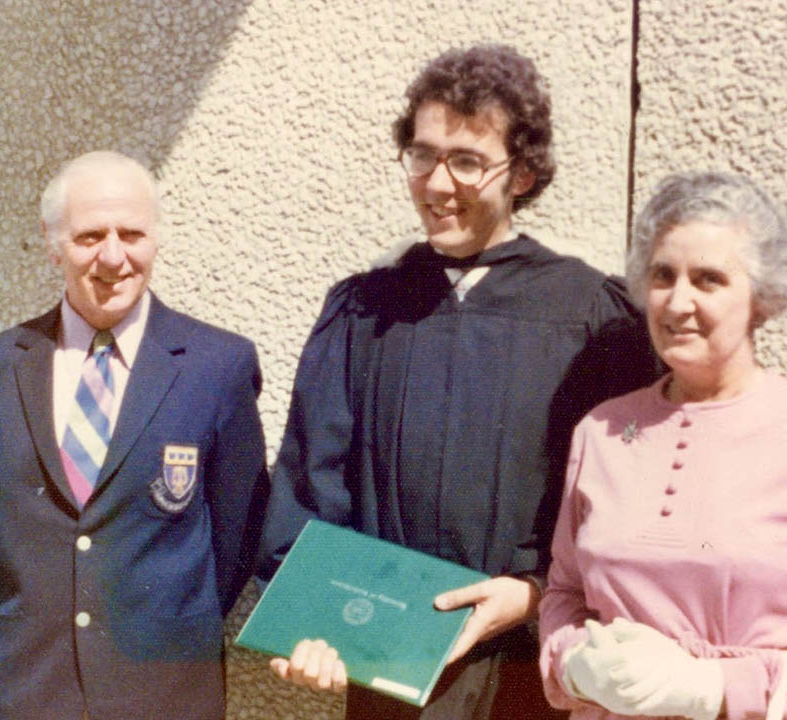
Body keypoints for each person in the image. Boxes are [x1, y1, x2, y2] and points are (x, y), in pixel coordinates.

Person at [257, 45, 660, 719]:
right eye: (423, 155)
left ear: (523, 173)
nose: (438, 184)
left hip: (535, 668)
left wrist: (532, 595)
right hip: (388, 662)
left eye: (467, 161)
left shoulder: (592, 315)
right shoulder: (364, 310)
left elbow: (625, 508)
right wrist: (313, 624)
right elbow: (311, 484)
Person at [538, 171, 787, 720]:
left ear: (761, 296)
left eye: (708, 280)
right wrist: (574, 664)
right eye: (663, 275)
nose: (677, 302)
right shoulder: (602, 431)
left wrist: (712, 686)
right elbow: (563, 593)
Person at [0, 151, 269, 719]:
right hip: (28, 691)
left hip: (164, 692)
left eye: (132, 234)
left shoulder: (217, 367)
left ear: (156, 240)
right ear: (52, 245)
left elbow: (236, 536)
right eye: (89, 236)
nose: (113, 257)